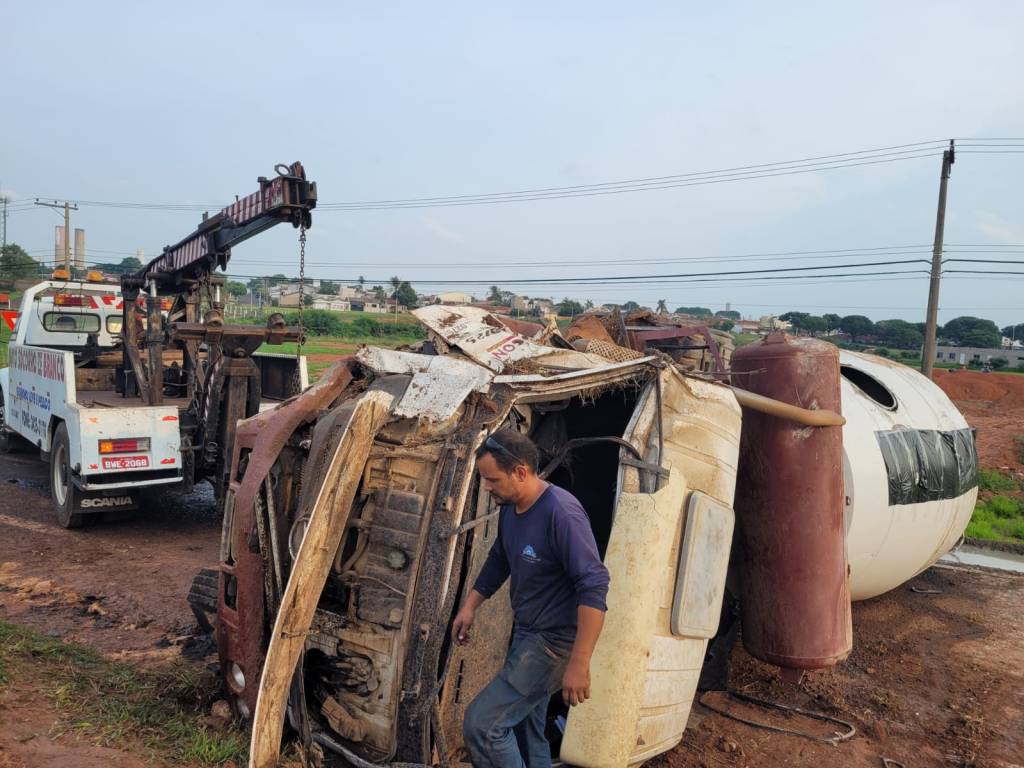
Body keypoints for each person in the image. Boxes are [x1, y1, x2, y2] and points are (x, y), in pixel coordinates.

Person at [455, 428, 610, 768]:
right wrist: (470, 605)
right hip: (528, 634)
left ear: (521, 472)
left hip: (554, 644)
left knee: (483, 726)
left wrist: (580, 663)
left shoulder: (561, 514)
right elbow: (500, 558)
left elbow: (594, 586)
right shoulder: (511, 508)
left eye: (493, 480)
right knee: (526, 729)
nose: (488, 487)